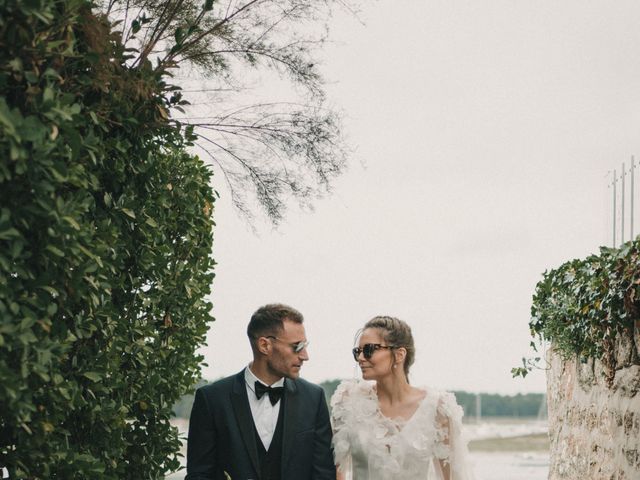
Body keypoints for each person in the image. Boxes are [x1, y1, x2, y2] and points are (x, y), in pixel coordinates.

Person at [186, 303, 335, 480]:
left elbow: (324, 474)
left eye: (305, 346)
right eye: (297, 346)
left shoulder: (314, 398)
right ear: (264, 345)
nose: (305, 355)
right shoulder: (212, 399)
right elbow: (199, 474)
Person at [331, 316, 475, 480]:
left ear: (399, 354)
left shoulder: (437, 408)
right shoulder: (348, 402)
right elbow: (337, 471)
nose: (361, 358)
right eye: (357, 352)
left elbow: (452, 477)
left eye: (369, 349)